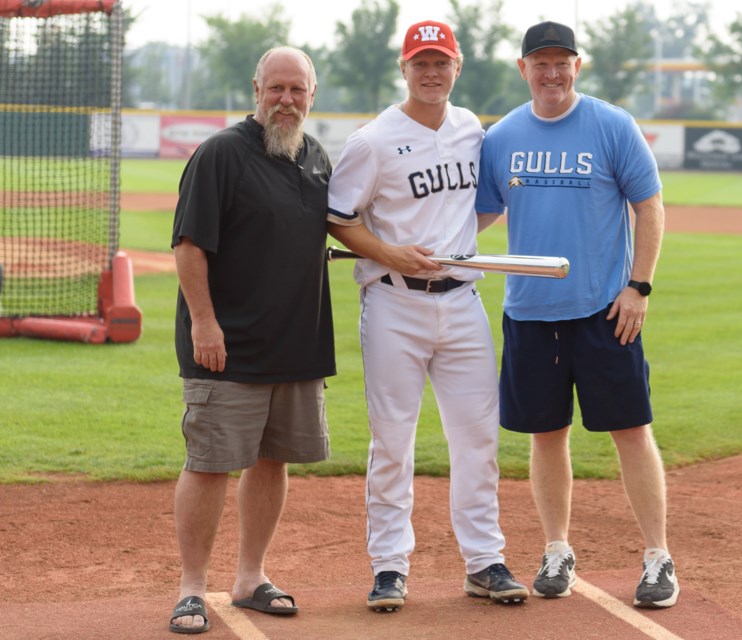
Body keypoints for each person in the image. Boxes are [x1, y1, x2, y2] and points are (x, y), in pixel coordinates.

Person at [475, 21, 680, 609]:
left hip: (604, 310)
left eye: (562, 62)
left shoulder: (611, 125)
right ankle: (557, 549)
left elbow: (649, 205)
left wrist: (639, 285)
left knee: (631, 431)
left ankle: (658, 557)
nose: (552, 72)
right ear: (523, 69)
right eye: (541, 63)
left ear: (578, 66)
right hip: (531, 311)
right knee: (546, 435)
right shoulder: (503, 136)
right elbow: (482, 216)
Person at [325, 20, 528, 612]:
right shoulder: (373, 140)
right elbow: (338, 217)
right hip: (394, 302)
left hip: (462, 301)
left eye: (441, 62)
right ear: (404, 68)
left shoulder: (472, 130)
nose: (432, 72)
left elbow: (481, 205)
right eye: (421, 62)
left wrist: (459, 243)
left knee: (477, 439)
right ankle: (389, 566)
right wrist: (388, 252)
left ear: (457, 67)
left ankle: (484, 560)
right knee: (393, 440)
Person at [168, 46, 335, 634]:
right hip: (227, 344)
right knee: (211, 462)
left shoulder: (315, 158)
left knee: (273, 461)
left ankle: (250, 576)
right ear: (256, 89)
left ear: (312, 95)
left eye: (297, 90)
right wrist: (204, 323)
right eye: (276, 89)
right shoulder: (220, 154)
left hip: (296, 345)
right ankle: (192, 588)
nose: (286, 100)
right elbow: (189, 246)